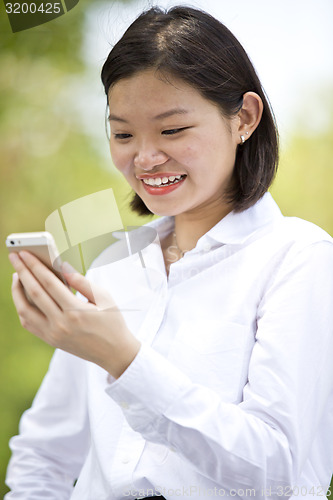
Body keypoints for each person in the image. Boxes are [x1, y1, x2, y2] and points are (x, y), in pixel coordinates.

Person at [5, 5, 333, 500]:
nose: (145, 157)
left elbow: (278, 473)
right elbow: (44, 455)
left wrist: (123, 359)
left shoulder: (298, 258)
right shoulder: (114, 264)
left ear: (243, 117)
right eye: (122, 134)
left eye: (172, 130)